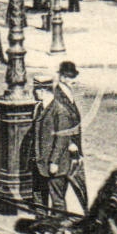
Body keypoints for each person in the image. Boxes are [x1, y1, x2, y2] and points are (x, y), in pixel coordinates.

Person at [30, 69, 86, 213]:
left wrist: (54, 162)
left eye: (35, 90)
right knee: (38, 197)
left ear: (42, 91)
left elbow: (62, 140)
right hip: (40, 162)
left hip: (55, 165)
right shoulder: (39, 108)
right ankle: (41, 227)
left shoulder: (60, 111)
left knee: (57, 201)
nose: (34, 93)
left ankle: (58, 230)